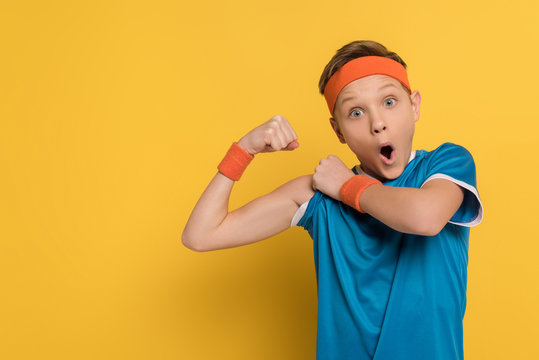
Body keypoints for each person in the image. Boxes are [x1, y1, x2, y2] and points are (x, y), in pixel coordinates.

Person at [182, 40, 483, 360]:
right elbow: (201, 234)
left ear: (415, 106)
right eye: (356, 112)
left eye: (390, 101)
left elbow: (425, 218)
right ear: (338, 130)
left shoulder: (445, 165)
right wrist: (245, 149)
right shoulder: (317, 195)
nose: (377, 122)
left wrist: (347, 187)